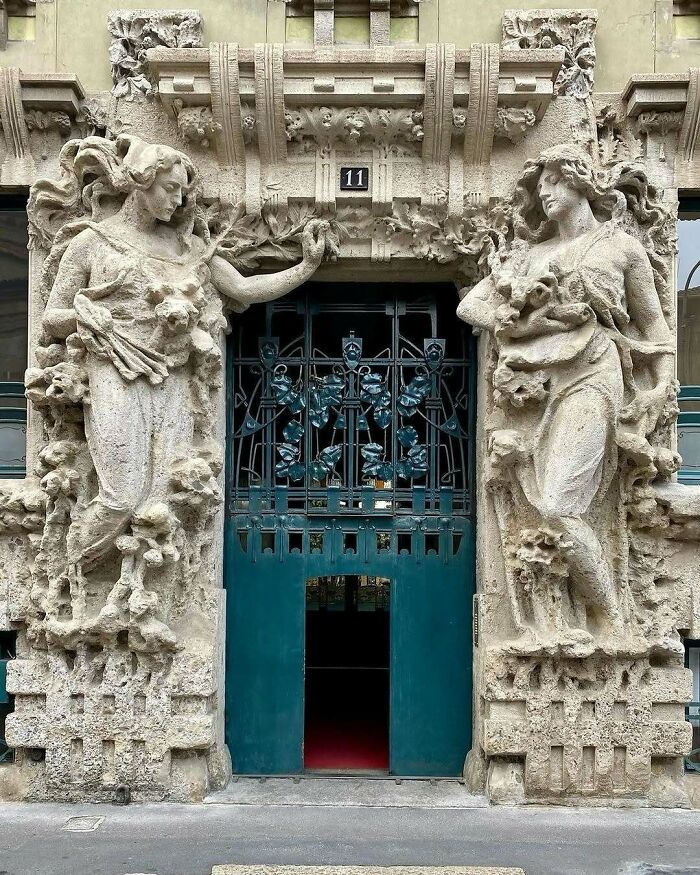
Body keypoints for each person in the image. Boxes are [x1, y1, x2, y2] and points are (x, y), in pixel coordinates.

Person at [40, 134, 327, 571]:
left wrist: (305, 267)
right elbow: (51, 317)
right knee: (120, 495)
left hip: (171, 377)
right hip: (115, 371)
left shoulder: (189, 249)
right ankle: (67, 574)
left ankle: (133, 587)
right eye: (170, 188)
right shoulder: (91, 243)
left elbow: (244, 289)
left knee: (162, 497)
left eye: (182, 191)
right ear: (141, 182)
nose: (179, 199)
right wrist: (88, 319)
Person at [457, 144, 675, 647]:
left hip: (594, 374)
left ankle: (613, 620)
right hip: (535, 385)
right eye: (540, 188)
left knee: (558, 505)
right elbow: (472, 306)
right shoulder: (530, 255)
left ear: (580, 181)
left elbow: (657, 328)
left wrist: (661, 387)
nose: (546, 194)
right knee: (553, 507)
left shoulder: (621, 247)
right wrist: (531, 319)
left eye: (553, 182)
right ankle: (586, 621)